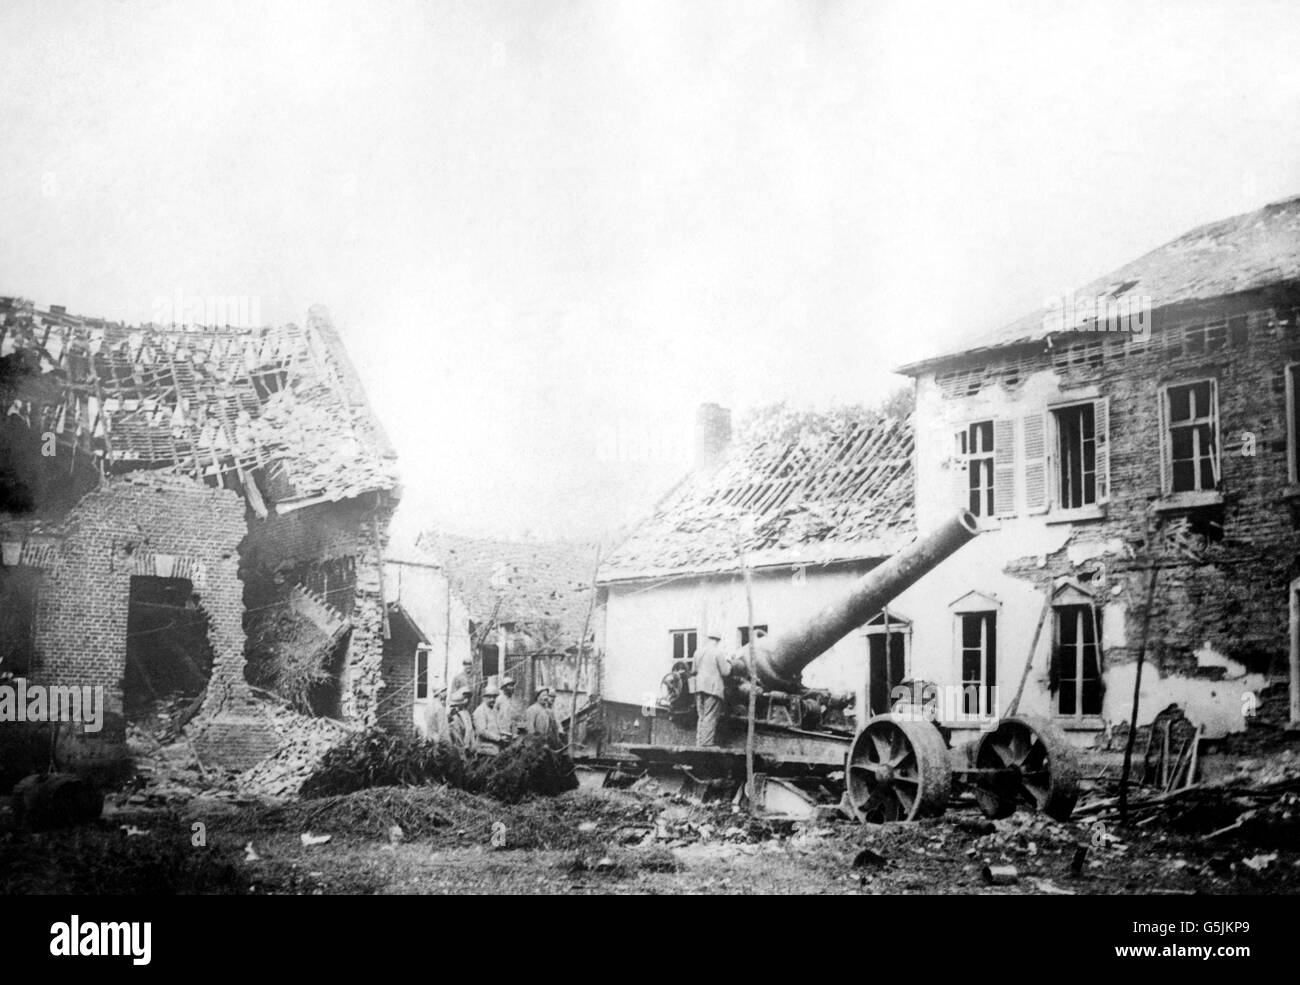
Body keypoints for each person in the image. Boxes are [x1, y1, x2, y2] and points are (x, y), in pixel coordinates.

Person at [693, 632, 731, 747]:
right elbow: (726, 672)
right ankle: (707, 743)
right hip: (713, 688)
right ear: (718, 641)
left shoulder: (697, 652)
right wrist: (728, 662)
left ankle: (699, 742)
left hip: (698, 687)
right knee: (710, 715)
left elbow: (693, 670)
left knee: (701, 716)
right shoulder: (718, 652)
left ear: (708, 638)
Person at [525, 686, 563, 750]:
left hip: (549, 745)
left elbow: (554, 728)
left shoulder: (549, 711)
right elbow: (530, 730)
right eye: (543, 695)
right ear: (537, 697)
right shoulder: (531, 710)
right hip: (537, 746)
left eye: (547, 695)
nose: (545, 697)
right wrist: (538, 743)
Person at [472, 683, 505, 755]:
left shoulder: (494, 710)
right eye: (490, 697)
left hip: (494, 744)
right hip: (483, 746)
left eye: (494, 697)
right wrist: (498, 738)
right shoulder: (480, 711)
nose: (492, 699)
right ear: (484, 697)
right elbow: (481, 731)